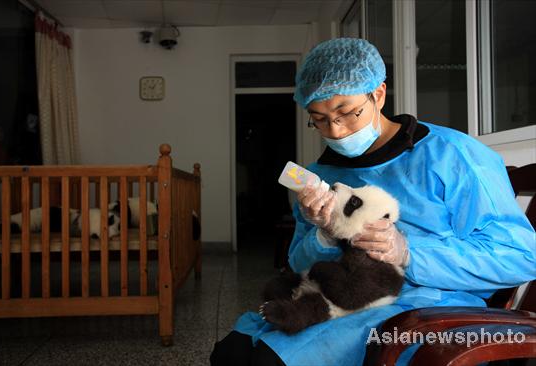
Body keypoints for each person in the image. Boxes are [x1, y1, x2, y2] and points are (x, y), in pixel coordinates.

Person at [210, 38, 536, 366]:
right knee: (231, 353)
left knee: (269, 361)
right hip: (336, 298)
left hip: (428, 310)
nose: (335, 131)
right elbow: (298, 263)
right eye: (319, 119)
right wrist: (323, 233)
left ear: (377, 94)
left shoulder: (452, 155)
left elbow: (521, 257)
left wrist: (408, 253)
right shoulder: (321, 174)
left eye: (346, 113)